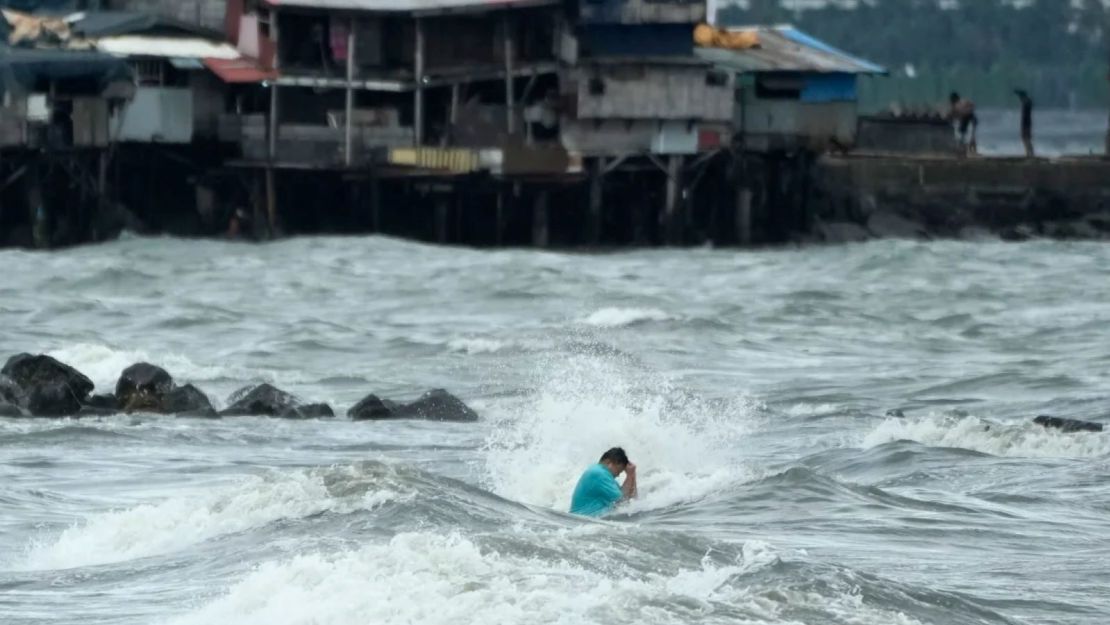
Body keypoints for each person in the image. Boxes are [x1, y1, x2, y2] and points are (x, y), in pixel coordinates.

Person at [569, 447, 637, 517]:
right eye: (618, 471)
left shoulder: (604, 476)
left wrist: (632, 474)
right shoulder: (599, 474)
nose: (618, 475)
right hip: (583, 521)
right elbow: (622, 503)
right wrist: (629, 475)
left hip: (586, 522)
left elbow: (631, 500)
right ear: (609, 463)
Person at [1014, 89, 1034, 158]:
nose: (1020, 99)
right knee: (1026, 138)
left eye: (1020, 97)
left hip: (1026, 123)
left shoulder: (1027, 102)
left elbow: (1025, 113)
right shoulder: (1027, 102)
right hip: (1026, 123)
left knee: (1026, 138)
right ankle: (1029, 153)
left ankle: (1029, 153)